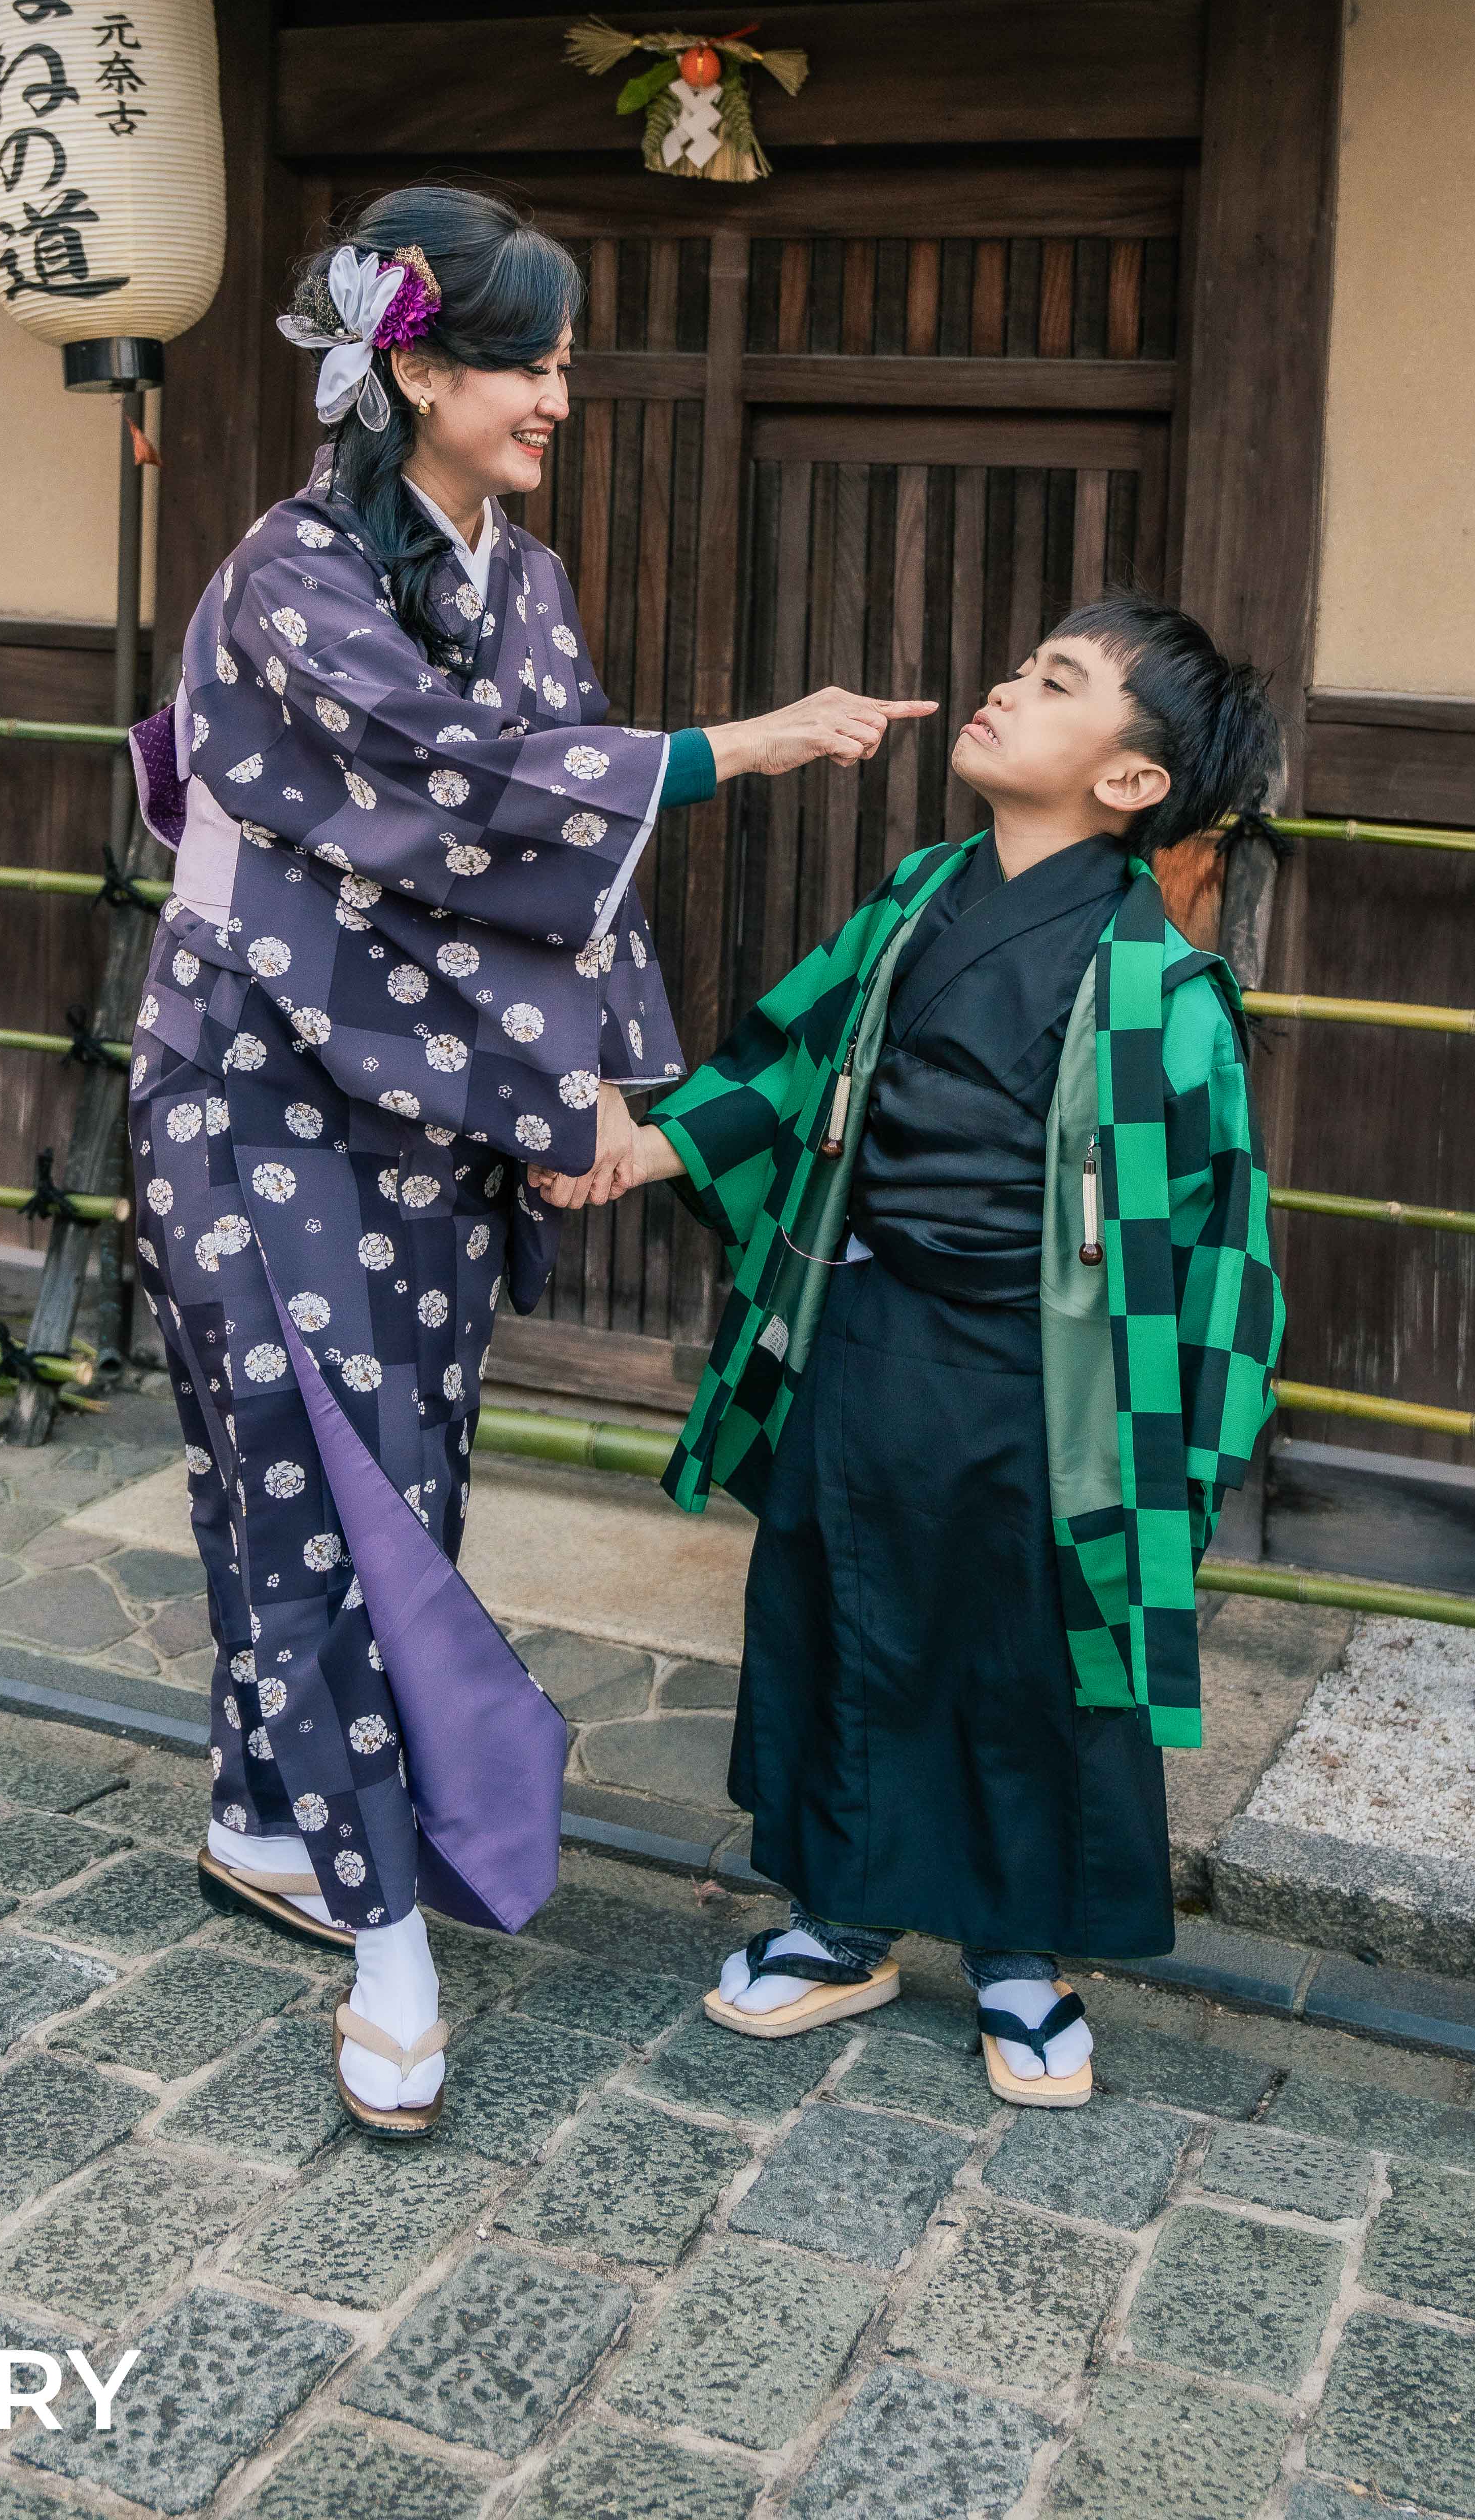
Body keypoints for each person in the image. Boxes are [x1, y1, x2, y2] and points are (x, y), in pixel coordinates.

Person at [125, 184, 930, 2137]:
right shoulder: (291, 570)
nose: (560, 397)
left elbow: (561, 882)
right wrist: (733, 747)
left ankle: (264, 1811)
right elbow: (461, 790)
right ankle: (389, 1936)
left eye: (566, 363)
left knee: (387, 1478)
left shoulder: (531, 581)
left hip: (431, 1118)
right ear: (416, 371)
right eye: (528, 363)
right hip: (254, 1087)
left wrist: (610, 1102)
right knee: (317, 1483)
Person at [542, 597, 1286, 2105]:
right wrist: (647, 1149)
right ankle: (842, 1922)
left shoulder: (1168, 992)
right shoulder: (918, 894)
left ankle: (1020, 1954)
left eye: (1057, 684)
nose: (1007, 687)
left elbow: (1216, 1259)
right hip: (871, 1326)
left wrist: (1181, 1464)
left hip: (1048, 1377)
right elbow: (794, 1057)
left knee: (1030, 1656)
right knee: (841, 1610)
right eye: (1025, 665)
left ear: (1131, 782)